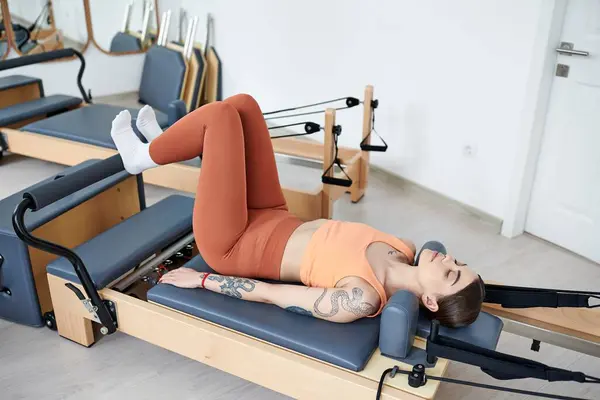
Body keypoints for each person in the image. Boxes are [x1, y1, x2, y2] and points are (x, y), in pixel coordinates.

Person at [111, 94, 485, 327]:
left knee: (221, 117)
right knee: (243, 106)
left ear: (431, 301)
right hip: (273, 213)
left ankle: (139, 158)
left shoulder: (361, 298)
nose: (448, 260)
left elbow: (276, 295)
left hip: (234, 244)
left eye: (451, 274)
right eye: (459, 262)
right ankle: (162, 143)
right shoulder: (403, 246)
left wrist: (202, 280)